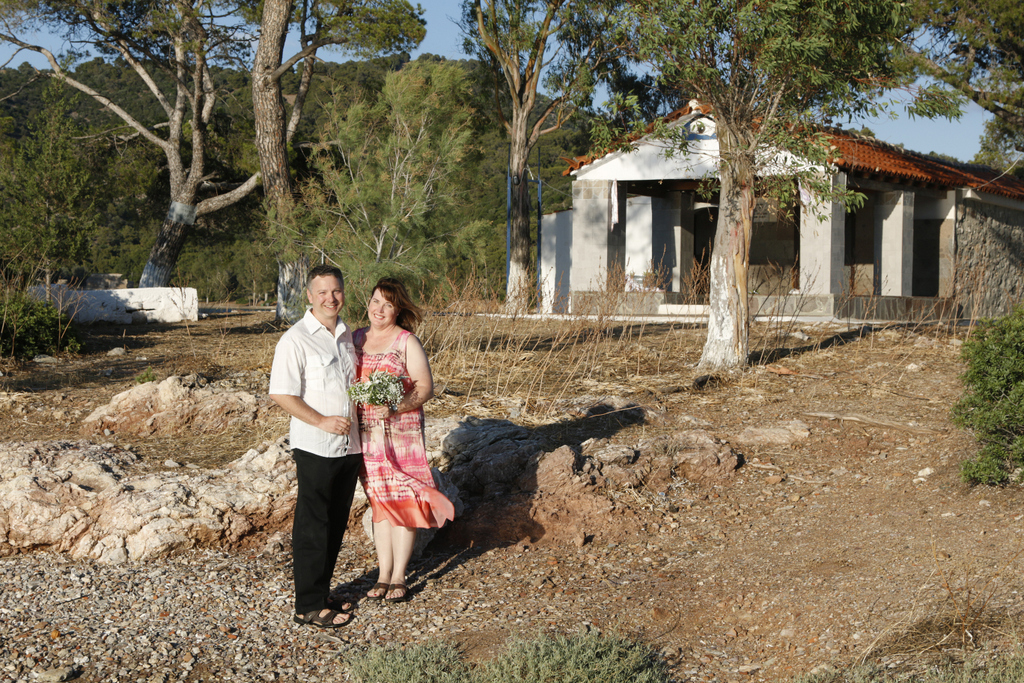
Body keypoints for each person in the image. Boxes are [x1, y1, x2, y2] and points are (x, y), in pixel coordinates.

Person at [269, 264, 362, 628]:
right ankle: (307, 605)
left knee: (335, 523)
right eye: (322, 292)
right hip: (316, 446)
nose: (330, 298)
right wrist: (321, 420)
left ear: (343, 292)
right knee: (313, 525)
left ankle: (322, 594)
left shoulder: (345, 335)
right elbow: (280, 393)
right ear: (309, 296)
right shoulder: (295, 339)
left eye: (336, 291)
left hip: (349, 446)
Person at [354, 278, 454, 603]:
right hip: (366, 434)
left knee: (404, 500)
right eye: (375, 301)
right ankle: (383, 574)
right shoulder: (355, 339)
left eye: (388, 304)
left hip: (402, 434)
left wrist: (396, 406)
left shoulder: (406, 342)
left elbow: (425, 387)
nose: (379, 309)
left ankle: (399, 576)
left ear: (398, 309)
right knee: (380, 503)